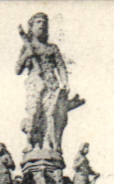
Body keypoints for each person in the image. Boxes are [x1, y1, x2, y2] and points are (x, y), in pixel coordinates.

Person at [16, 13, 83, 154]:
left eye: (44, 23)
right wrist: (26, 55)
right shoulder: (28, 47)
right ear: (32, 26)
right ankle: (31, 142)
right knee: (34, 112)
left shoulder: (52, 48)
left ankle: (47, 142)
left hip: (51, 83)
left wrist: (65, 82)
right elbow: (17, 69)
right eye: (38, 22)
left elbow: (61, 66)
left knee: (50, 115)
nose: (42, 25)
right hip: (34, 82)